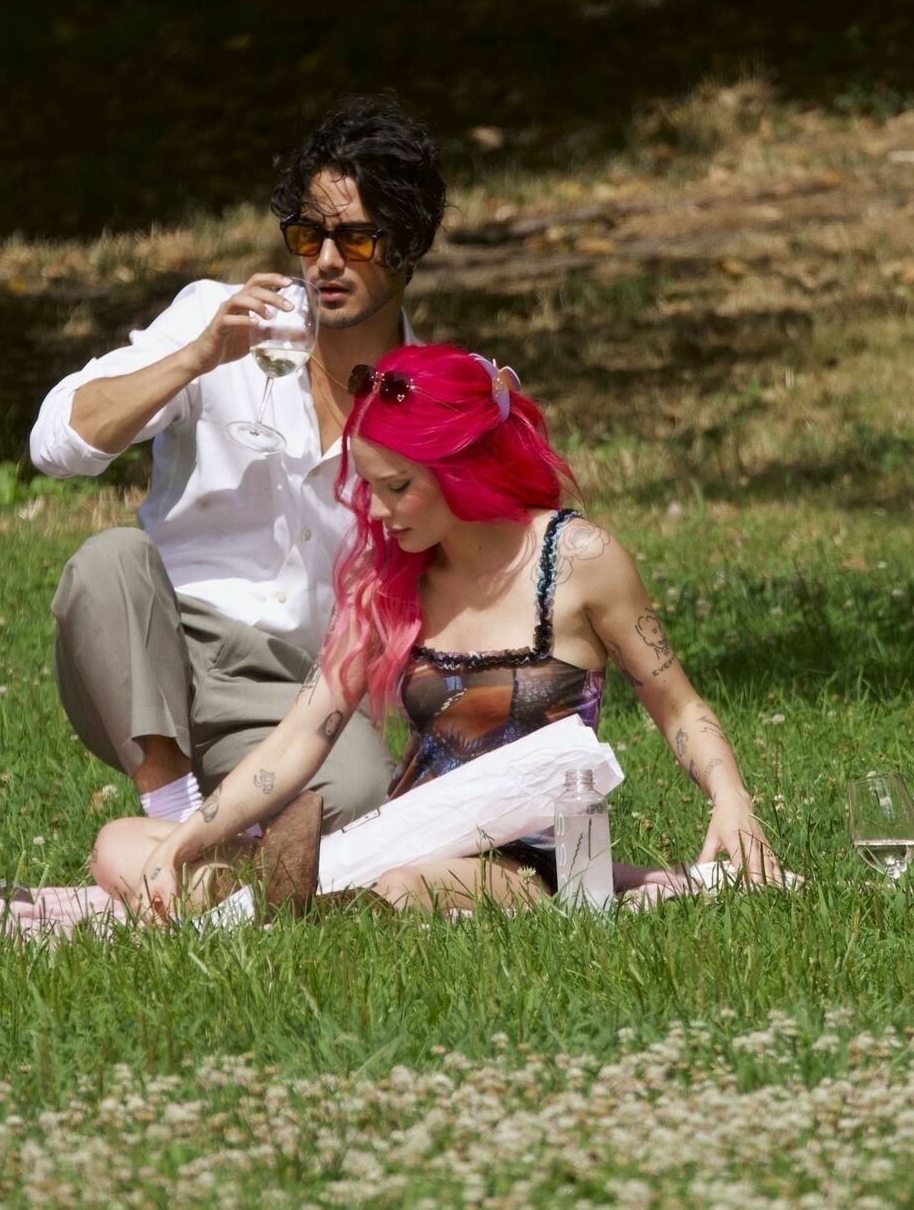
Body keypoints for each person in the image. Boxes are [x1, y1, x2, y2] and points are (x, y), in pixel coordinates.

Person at [90, 343, 785, 916]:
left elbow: (679, 706)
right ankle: (272, 899)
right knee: (122, 843)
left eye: (398, 487)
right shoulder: (388, 579)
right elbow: (300, 738)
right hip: (401, 834)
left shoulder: (579, 560)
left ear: (462, 466)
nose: (378, 511)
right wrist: (183, 841)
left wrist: (732, 799)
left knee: (401, 892)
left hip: (532, 860)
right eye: (370, 487)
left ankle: (267, 906)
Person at [28, 97, 449, 835]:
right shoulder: (221, 319)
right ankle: (171, 812)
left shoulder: (430, 395)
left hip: (297, 688)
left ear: (408, 246)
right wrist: (196, 358)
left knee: (360, 794)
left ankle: (212, 846)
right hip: (155, 649)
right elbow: (56, 442)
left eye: (355, 239)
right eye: (308, 235)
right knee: (109, 562)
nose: (324, 261)